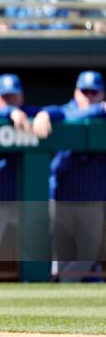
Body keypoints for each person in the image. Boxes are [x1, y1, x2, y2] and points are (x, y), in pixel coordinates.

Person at [0, 74, 63, 284]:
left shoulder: (28, 114)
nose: (9, 100)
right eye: (4, 97)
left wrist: (45, 114)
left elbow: (62, 111)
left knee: (38, 251)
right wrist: (10, 111)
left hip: (20, 198)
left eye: (13, 97)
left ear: (21, 96)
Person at [44, 71, 106, 282]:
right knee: (59, 256)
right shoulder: (66, 111)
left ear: (101, 93)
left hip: (92, 198)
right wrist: (99, 108)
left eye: (94, 92)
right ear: (76, 92)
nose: (89, 95)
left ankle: (60, 286)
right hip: (62, 196)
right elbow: (65, 116)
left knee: (87, 255)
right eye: (84, 91)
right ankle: (57, 286)